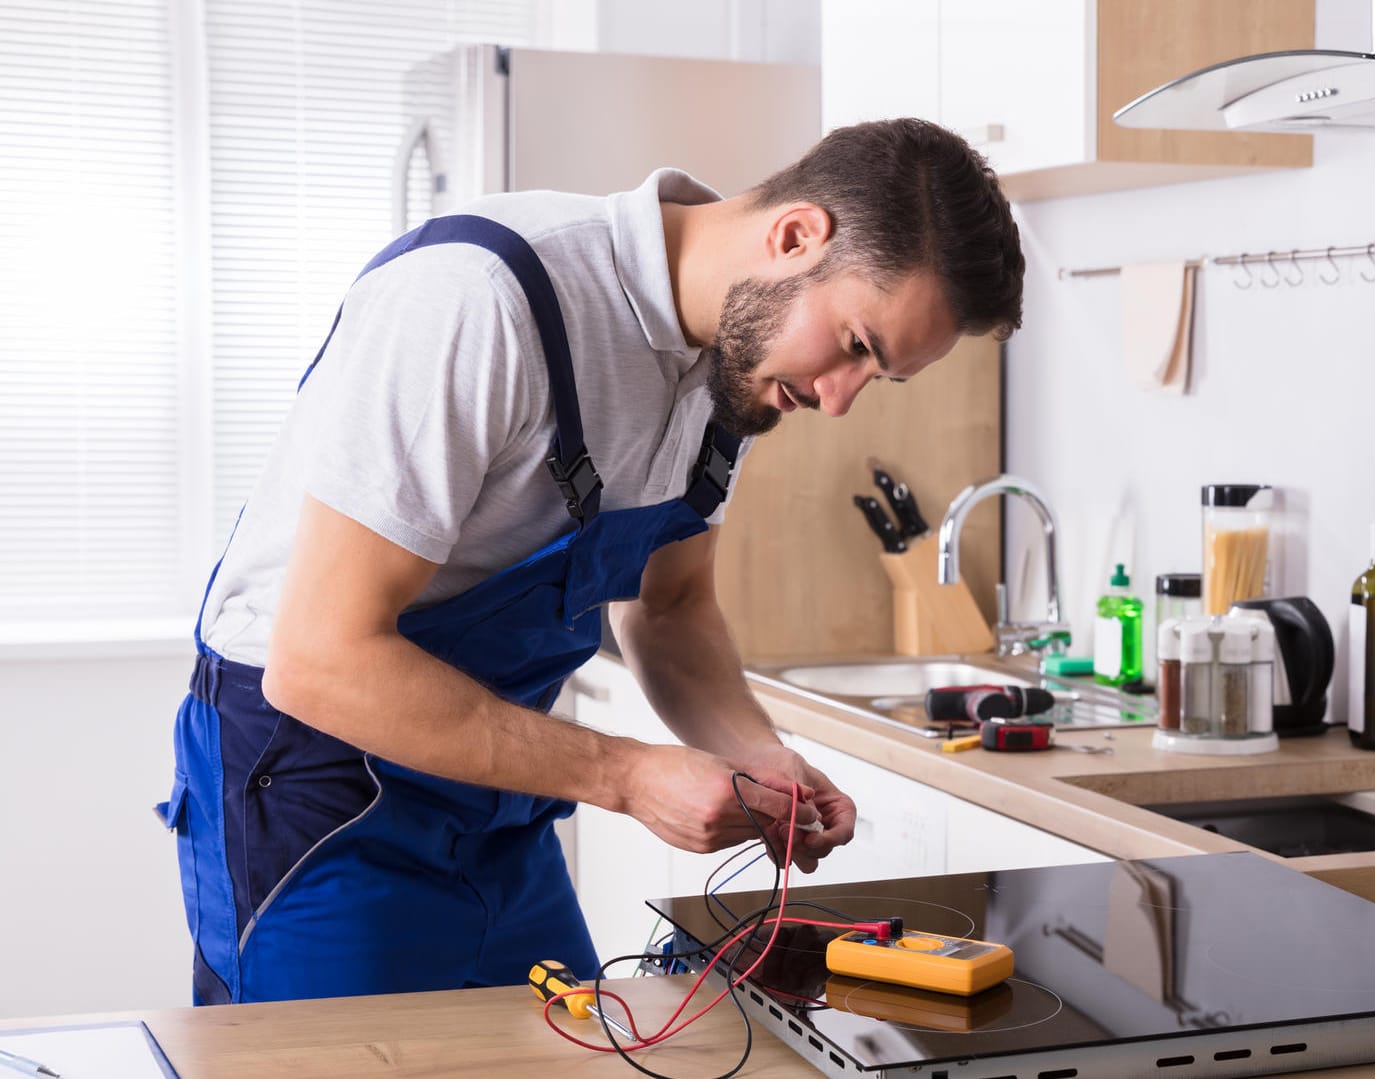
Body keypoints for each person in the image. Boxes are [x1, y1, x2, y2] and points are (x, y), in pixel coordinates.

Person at [156, 117, 1026, 1005]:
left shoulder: (733, 368)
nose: (840, 401)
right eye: (856, 346)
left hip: (497, 803)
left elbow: (673, 608)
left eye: (878, 377)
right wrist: (627, 773)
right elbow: (320, 661)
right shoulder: (480, 298)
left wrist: (762, 757)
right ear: (796, 236)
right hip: (317, 791)